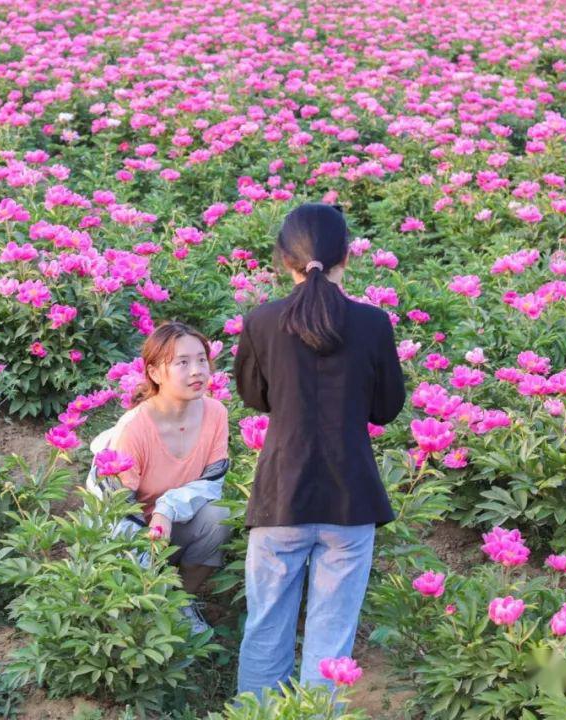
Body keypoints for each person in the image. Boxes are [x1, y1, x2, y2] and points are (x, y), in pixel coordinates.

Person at [233, 203, 406, 698]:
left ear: (283, 259)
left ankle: (257, 714)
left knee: (266, 627)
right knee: (331, 637)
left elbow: (253, 396)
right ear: (344, 257)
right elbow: (386, 409)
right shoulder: (373, 323)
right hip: (351, 501)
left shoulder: (262, 320)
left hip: (279, 497)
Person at [107, 321, 232, 634]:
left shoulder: (216, 413)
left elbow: (212, 484)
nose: (197, 371)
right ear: (154, 372)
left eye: (202, 359)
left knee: (220, 516)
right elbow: (116, 508)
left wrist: (167, 508)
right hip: (129, 534)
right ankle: (153, 606)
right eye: (183, 362)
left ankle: (181, 601)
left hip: (176, 523)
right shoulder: (134, 427)